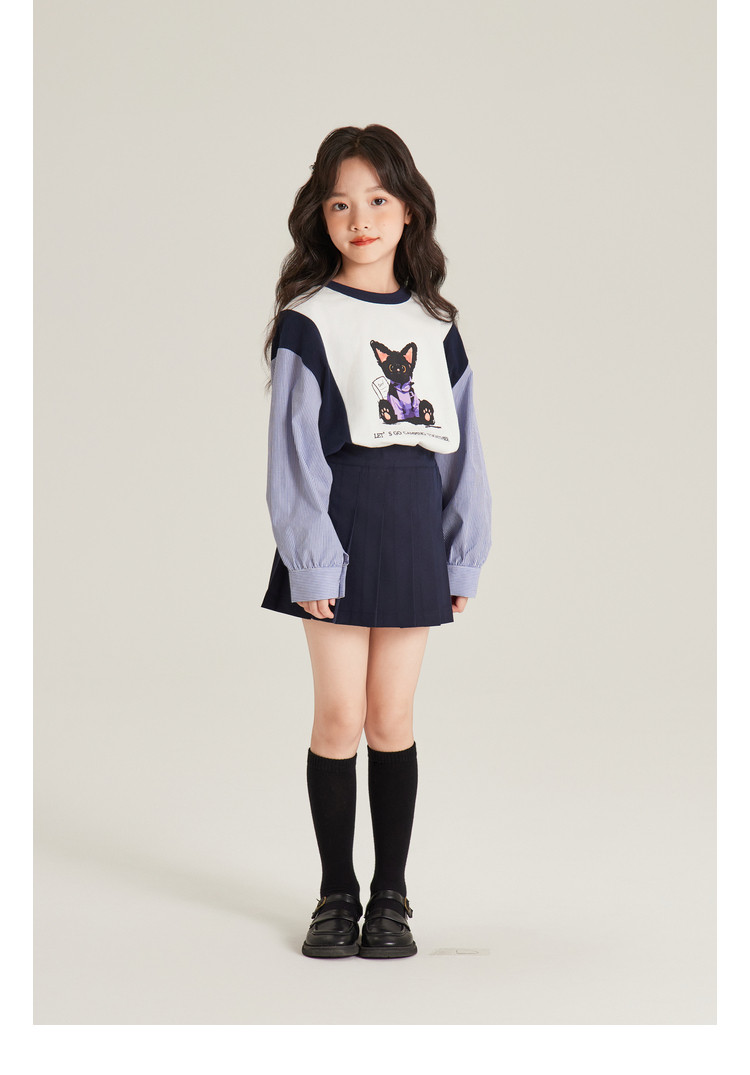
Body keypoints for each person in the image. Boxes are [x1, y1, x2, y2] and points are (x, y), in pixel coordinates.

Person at [260, 124, 492, 959]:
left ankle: (391, 896)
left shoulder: (436, 325)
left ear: (408, 211)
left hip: (414, 528)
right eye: (340, 204)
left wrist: (462, 551)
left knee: (392, 714)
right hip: (340, 523)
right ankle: (336, 893)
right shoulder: (308, 321)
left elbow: (463, 448)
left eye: (377, 199)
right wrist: (312, 557)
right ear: (321, 218)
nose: (359, 219)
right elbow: (293, 454)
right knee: (339, 714)